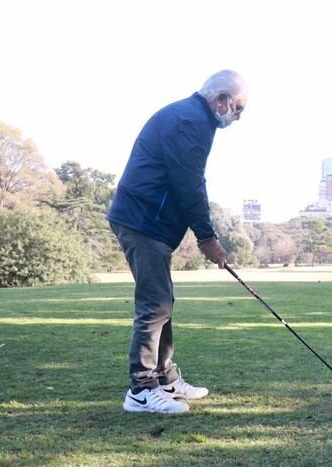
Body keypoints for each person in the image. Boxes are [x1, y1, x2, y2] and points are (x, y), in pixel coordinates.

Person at [106, 70, 247, 414]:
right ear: (221, 100)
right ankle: (141, 389)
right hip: (142, 220)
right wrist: (207, 237)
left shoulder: (194, 117)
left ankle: (165, 378)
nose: (239, 115)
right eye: (238, 107)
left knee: (162, 303)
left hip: (149, 221)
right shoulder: (189, 121)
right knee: (154, 306)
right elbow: (189, 185)